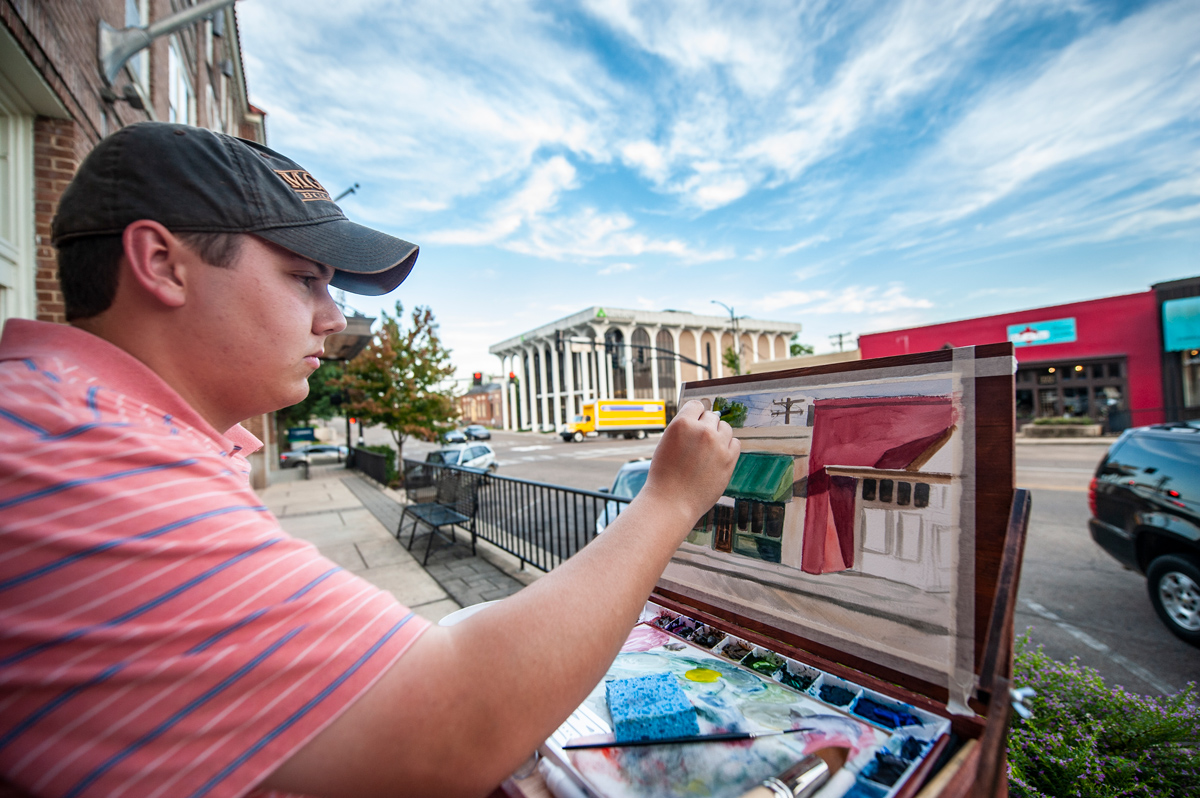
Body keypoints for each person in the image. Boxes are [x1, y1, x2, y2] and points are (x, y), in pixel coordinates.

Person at [0, 122, 740, 798]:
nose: (333, 316)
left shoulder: (72, 424)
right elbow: (460, 725)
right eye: (303, 279)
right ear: (162, 264)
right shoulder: (91, 466)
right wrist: (668, 501)